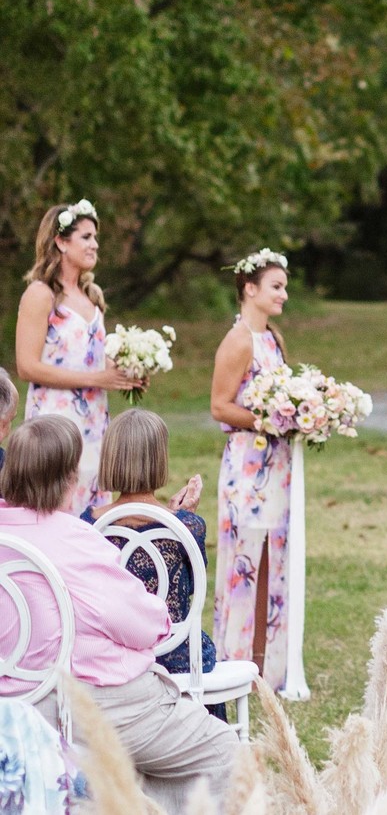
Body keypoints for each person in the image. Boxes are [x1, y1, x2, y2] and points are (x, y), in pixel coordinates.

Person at [0, 416, 239, 814]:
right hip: (89, 705)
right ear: (67, 479)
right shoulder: (73, 538)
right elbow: (143, 626)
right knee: (224, 752)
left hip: (12, 705)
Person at [15, 200, 141, 515]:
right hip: (55, 422)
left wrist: (128, 374)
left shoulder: (92, 298)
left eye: (95, 238)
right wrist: (97, 379)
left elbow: (96, 362)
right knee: (56, 504)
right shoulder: (40, 295)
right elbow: (26, 366)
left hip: (95, 421)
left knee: (93, 504)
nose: (94, 245)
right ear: (60, 241)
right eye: (86, 237)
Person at [210, 249, 294, 691]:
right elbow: (219, 406)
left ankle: (266, 668)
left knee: (272, 563)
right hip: (247, 469)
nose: (284, 293)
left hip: (277, 467)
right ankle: (234, 665)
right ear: (250, 290)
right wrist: (271, 419)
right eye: (276, 286)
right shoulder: (238, 340)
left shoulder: (273, 339)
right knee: (245, 562)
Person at [82, 408, 217, 681]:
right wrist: (181, 520)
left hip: (112, 656)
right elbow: (189, 590)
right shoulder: (188, 527)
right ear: (160, 460)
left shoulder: (88, 524)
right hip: (176, 656)